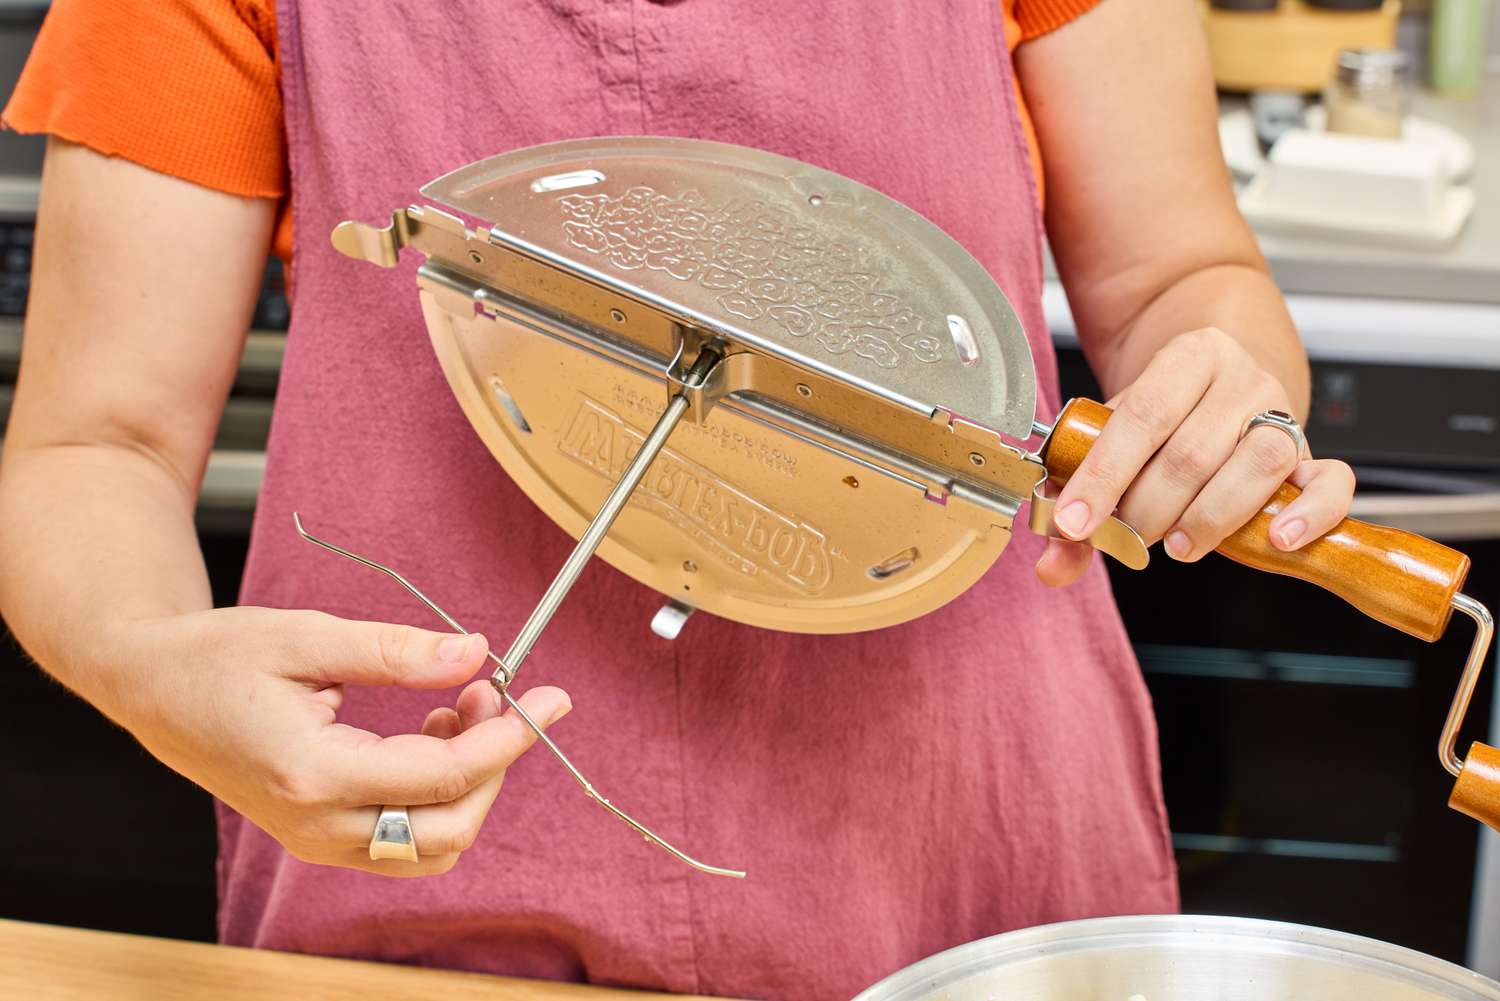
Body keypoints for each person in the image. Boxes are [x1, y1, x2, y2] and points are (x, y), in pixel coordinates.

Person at [0, 0, 1357, 997]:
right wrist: (146, 658)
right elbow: (90, 447)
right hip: (433, 864)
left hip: (962, 865)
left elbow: (1177, 276)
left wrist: (1233, 387)